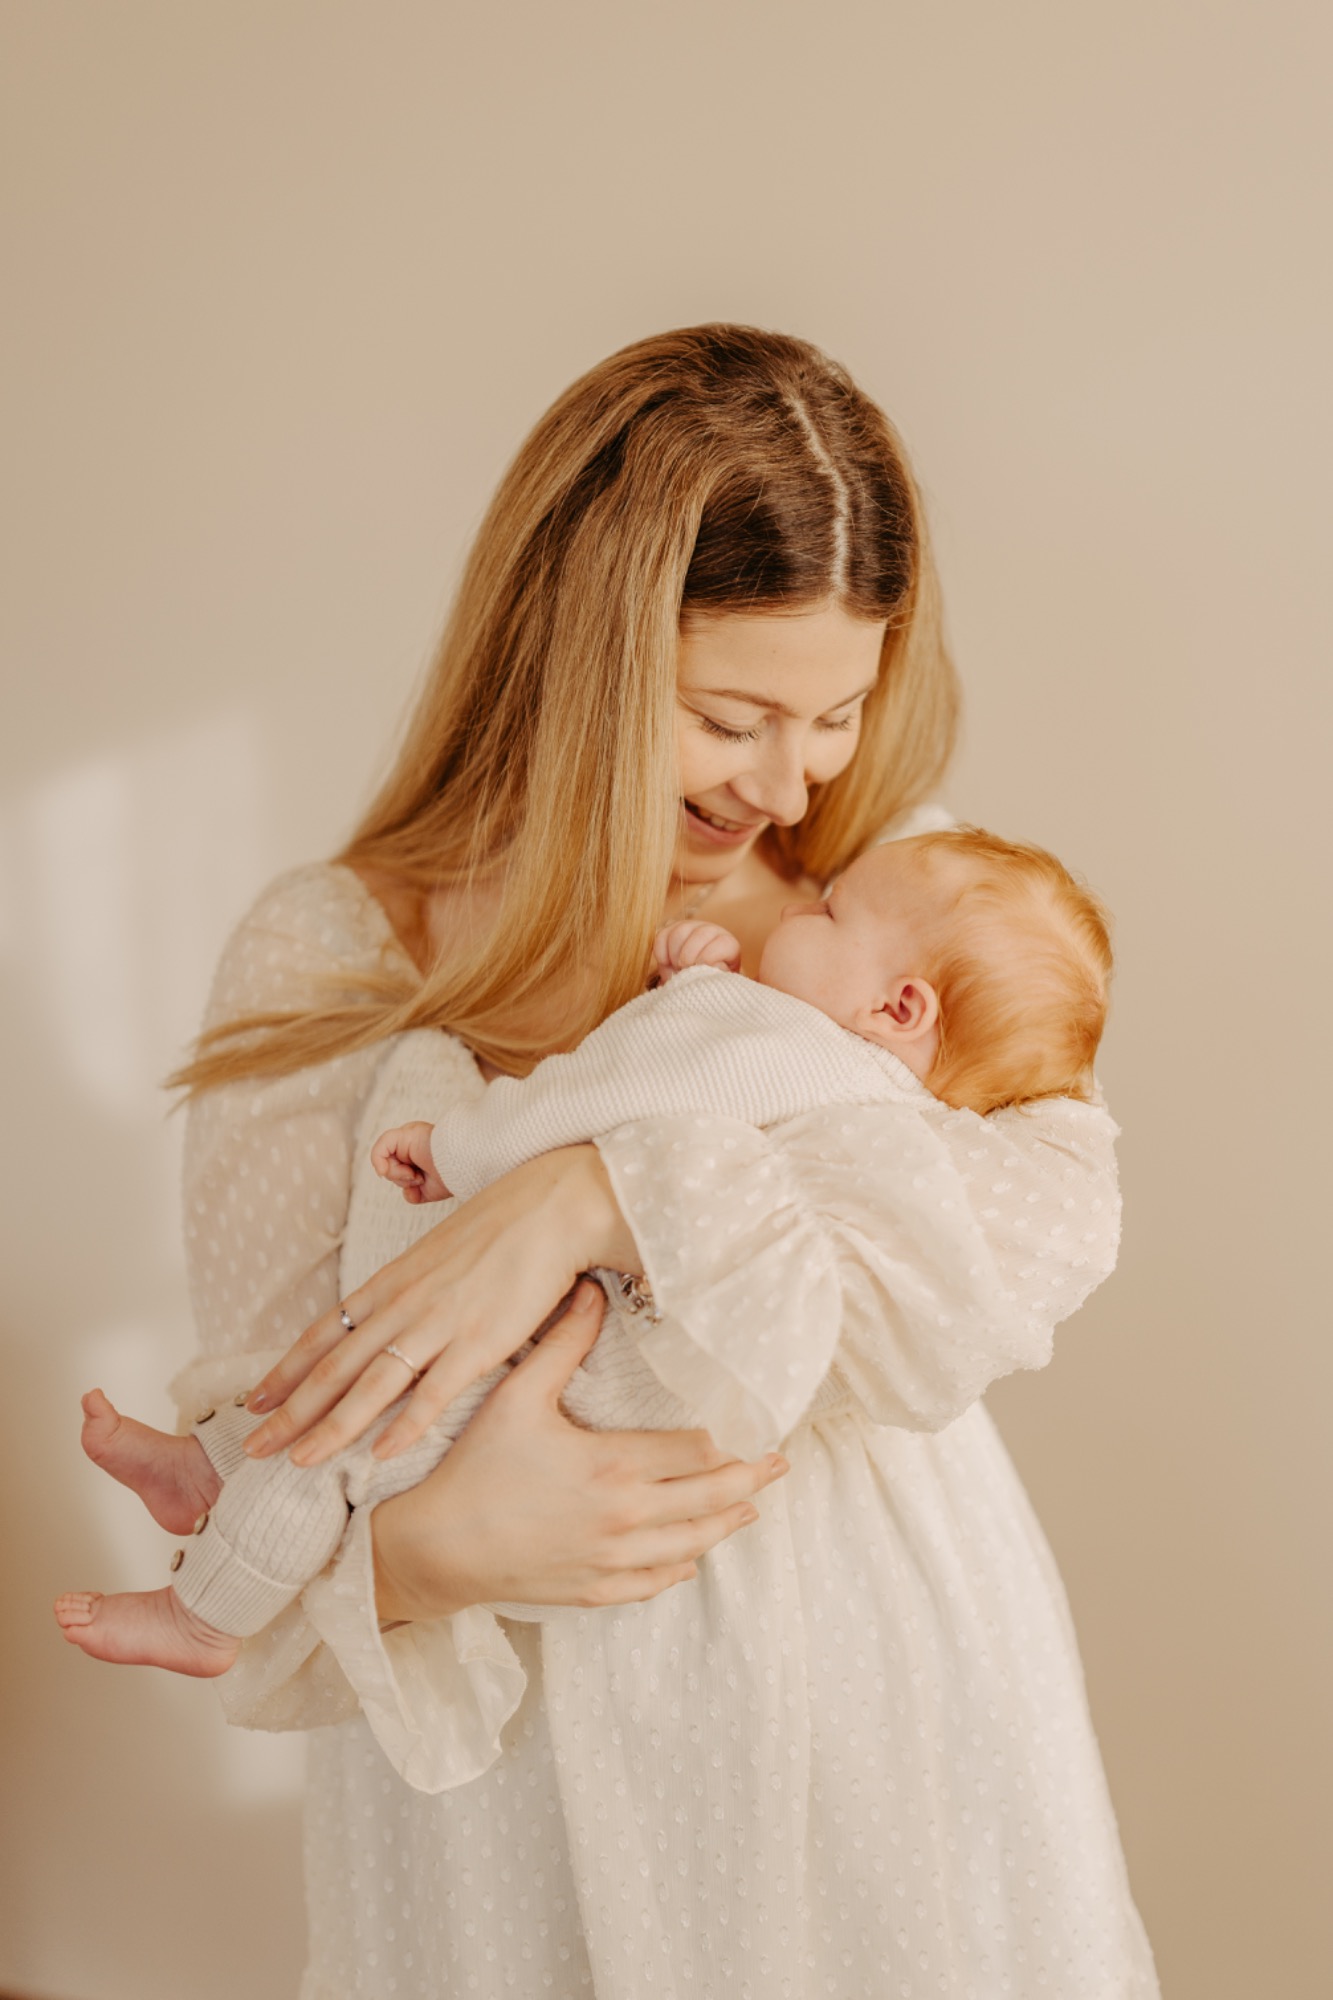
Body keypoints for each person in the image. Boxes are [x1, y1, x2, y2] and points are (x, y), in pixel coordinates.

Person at [60, 325, 1159, 1994]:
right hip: (511, 1799)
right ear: (580, 663)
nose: (791, 780)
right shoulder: (337, 958)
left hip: (896, 1729)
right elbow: (288, 1461)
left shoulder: (896, 901)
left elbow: (1011, 1257)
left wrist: (593, 1194)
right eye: (732, 717)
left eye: (837, 712)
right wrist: (436, 1552)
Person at [55, 826, 1116, 1682]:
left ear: (896, 1005)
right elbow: (698, 1085)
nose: (801, 897)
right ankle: (205, 1469)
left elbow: (611, 1094)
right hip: (647, 1414)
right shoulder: (880, 1094)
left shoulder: (794, 1047)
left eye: (828, 912)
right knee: (359, 1395)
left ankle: (204, 1615)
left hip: (589, 1386)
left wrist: (462, 1150)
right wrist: (693, 983)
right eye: (733, 720)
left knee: (350, 1439)